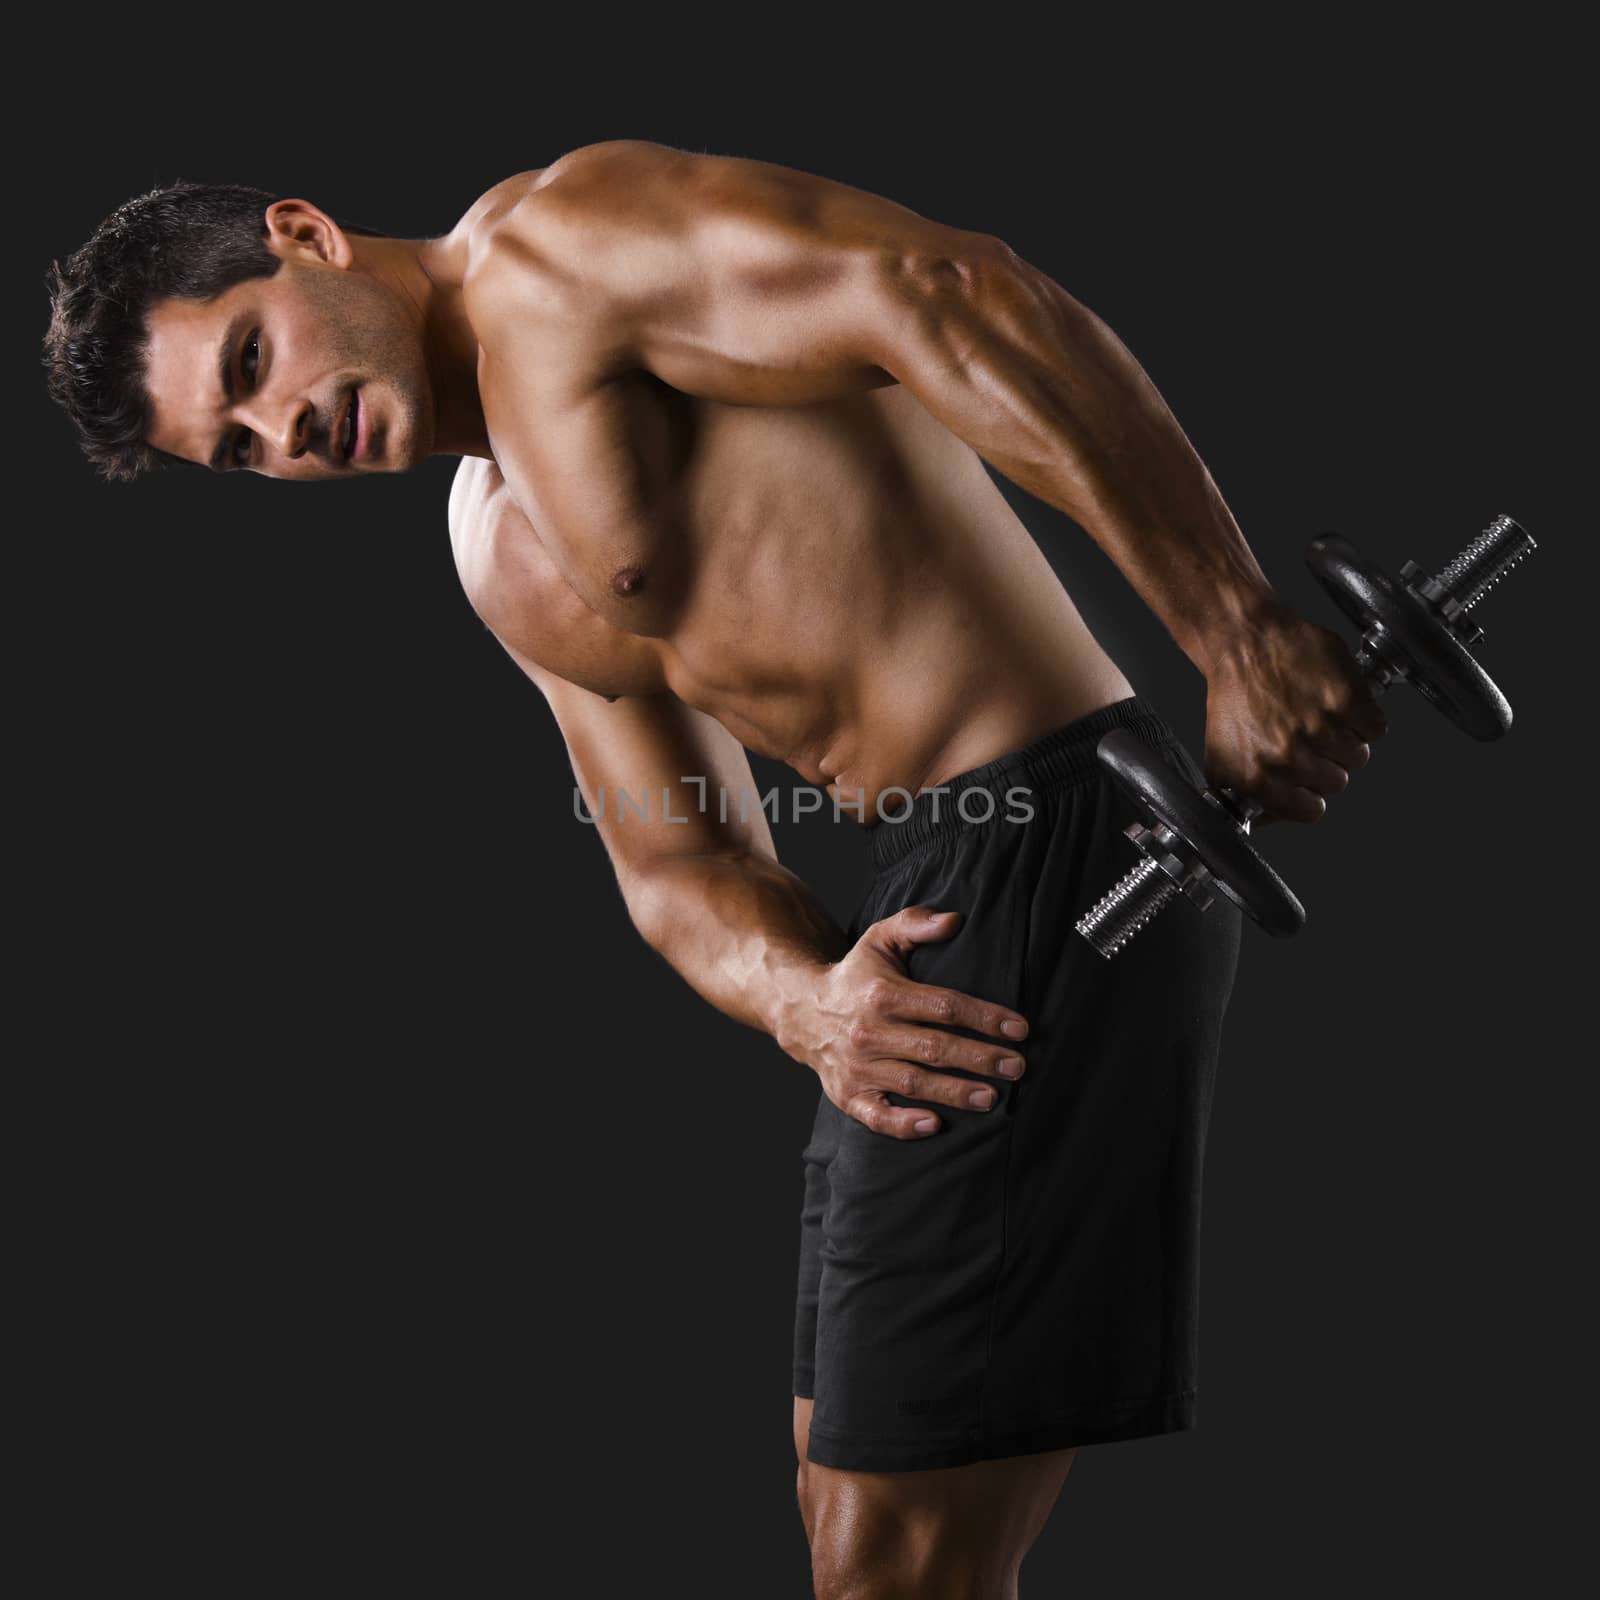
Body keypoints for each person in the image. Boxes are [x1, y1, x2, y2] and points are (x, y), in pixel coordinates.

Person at [44, 138, 1386, 1598]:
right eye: (235, 447)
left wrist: (1236, 629)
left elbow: (948, 290)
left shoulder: (564, 251)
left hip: (1064, 830)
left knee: (893, 1563)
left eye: (252, 359)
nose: (283, 433)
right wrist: (802, 997)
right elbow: (675, 850)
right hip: (938, 885)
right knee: (844, 1511)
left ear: (304, 236)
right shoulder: (492, 544)